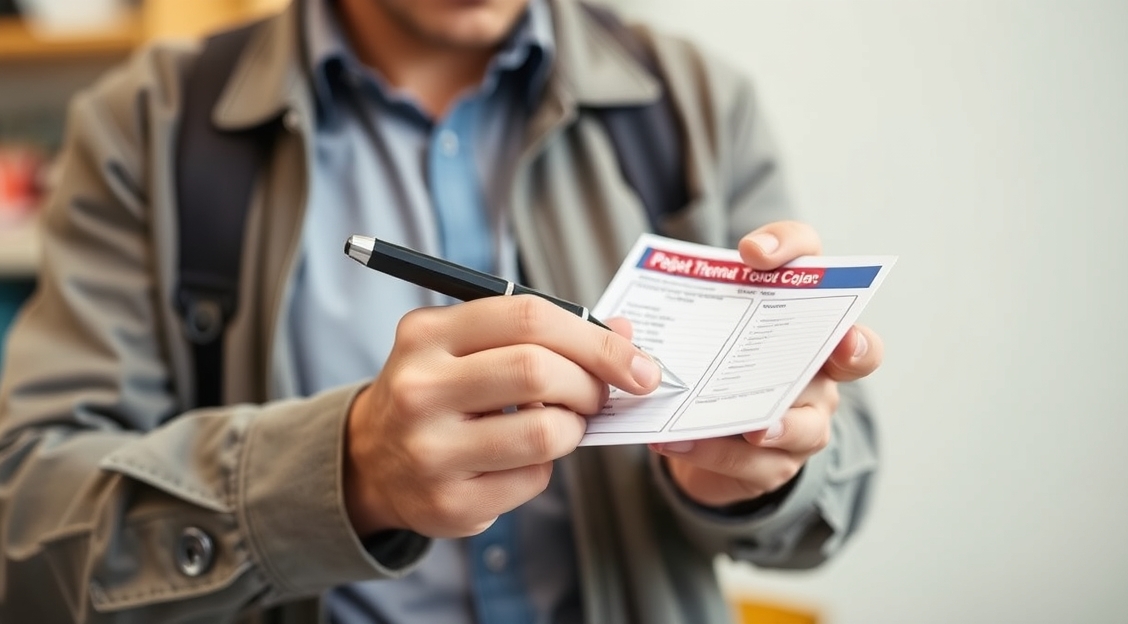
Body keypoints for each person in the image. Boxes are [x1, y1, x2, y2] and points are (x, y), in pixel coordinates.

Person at [0, 0, 884, 622]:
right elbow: (28, 532)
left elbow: (838, 482)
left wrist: (763, 469)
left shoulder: (692, 102)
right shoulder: (147, 124)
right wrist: (341, 476)